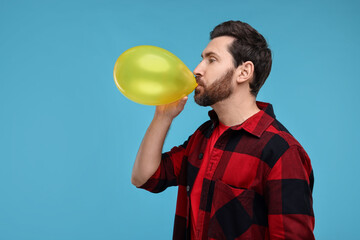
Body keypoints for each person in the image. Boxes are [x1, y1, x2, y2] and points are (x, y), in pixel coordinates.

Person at [131, 20, 315, 240]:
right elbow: (144, 177)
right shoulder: (203, 136)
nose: (197, 70)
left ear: (244, 72)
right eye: (201, 59)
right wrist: (162, 118)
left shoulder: (281, 152)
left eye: (212, 60)